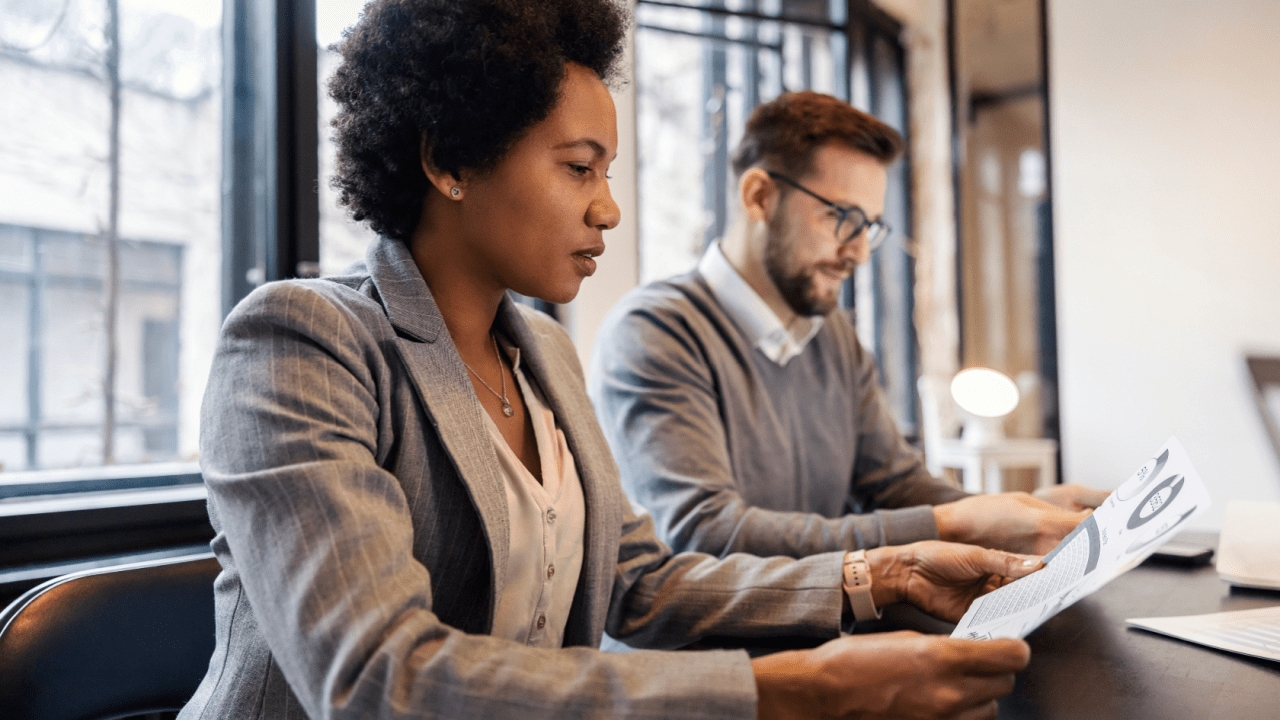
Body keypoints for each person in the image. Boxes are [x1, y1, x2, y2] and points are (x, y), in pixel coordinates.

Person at [180, 2, 1041, 718]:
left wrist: (883, 572)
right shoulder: (303, 341)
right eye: (580, 168)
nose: (610, 210)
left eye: (611, 171)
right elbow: (379, 677)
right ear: (449, 160)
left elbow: (639, 583)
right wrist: (786, 689)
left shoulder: (545, 352)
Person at [590, 91, 1103, 565]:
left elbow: (898, 487)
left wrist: (1023, 511)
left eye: (870, 227)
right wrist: (953, 525)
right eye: (843, 218)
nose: (857, 251)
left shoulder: (832, 334)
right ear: (759, 197)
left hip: (827, 630)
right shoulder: (654, 333)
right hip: (712, 659)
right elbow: (706, 534)